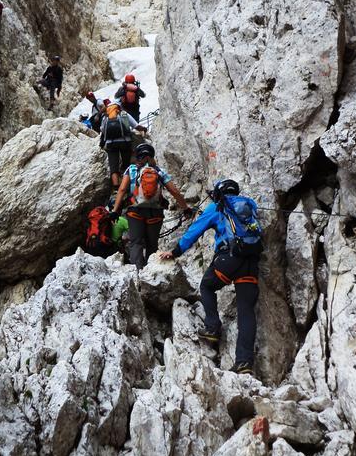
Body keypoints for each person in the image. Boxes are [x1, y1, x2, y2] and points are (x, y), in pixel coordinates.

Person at [159, 179, 263, 375]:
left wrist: (175, 251)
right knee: (246, 310)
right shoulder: (249, 205)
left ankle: (213, 328)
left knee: (207, 286)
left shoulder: (217, 206)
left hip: (229, 258)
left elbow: (194, 231)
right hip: (251, 261)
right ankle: (244, 362)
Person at [111, 142, 193, 270]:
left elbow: (121, 190)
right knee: (152, 244)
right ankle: (151, 270)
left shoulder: (132, 169)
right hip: (155, 213)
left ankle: (137, 272)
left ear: (138, 156)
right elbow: (174, 191)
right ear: (152, 155)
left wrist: (115, 211)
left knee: (136, 243)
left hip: (135, 212)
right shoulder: (159, 171)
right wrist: (186, 209)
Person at [100, 101, 146, 189]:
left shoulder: (106, 117)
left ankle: (116, 188)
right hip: (125, 142)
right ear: (119, 107)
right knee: (126, 164)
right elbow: (136, 126)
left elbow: (102, 130)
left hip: (111, 143)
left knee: (114, 166)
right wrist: (144, 129)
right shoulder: (124, 114)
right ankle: (127, 185)